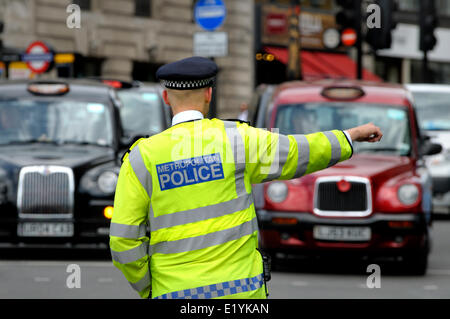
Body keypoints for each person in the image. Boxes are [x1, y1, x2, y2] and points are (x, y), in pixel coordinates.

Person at [109, 56, 382, 300]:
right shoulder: (236, 139)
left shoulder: (141, 157)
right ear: (209, 94)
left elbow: (123, 239)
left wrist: (148, 287)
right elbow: (300, 151)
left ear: (166, 98)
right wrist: (351, 135)